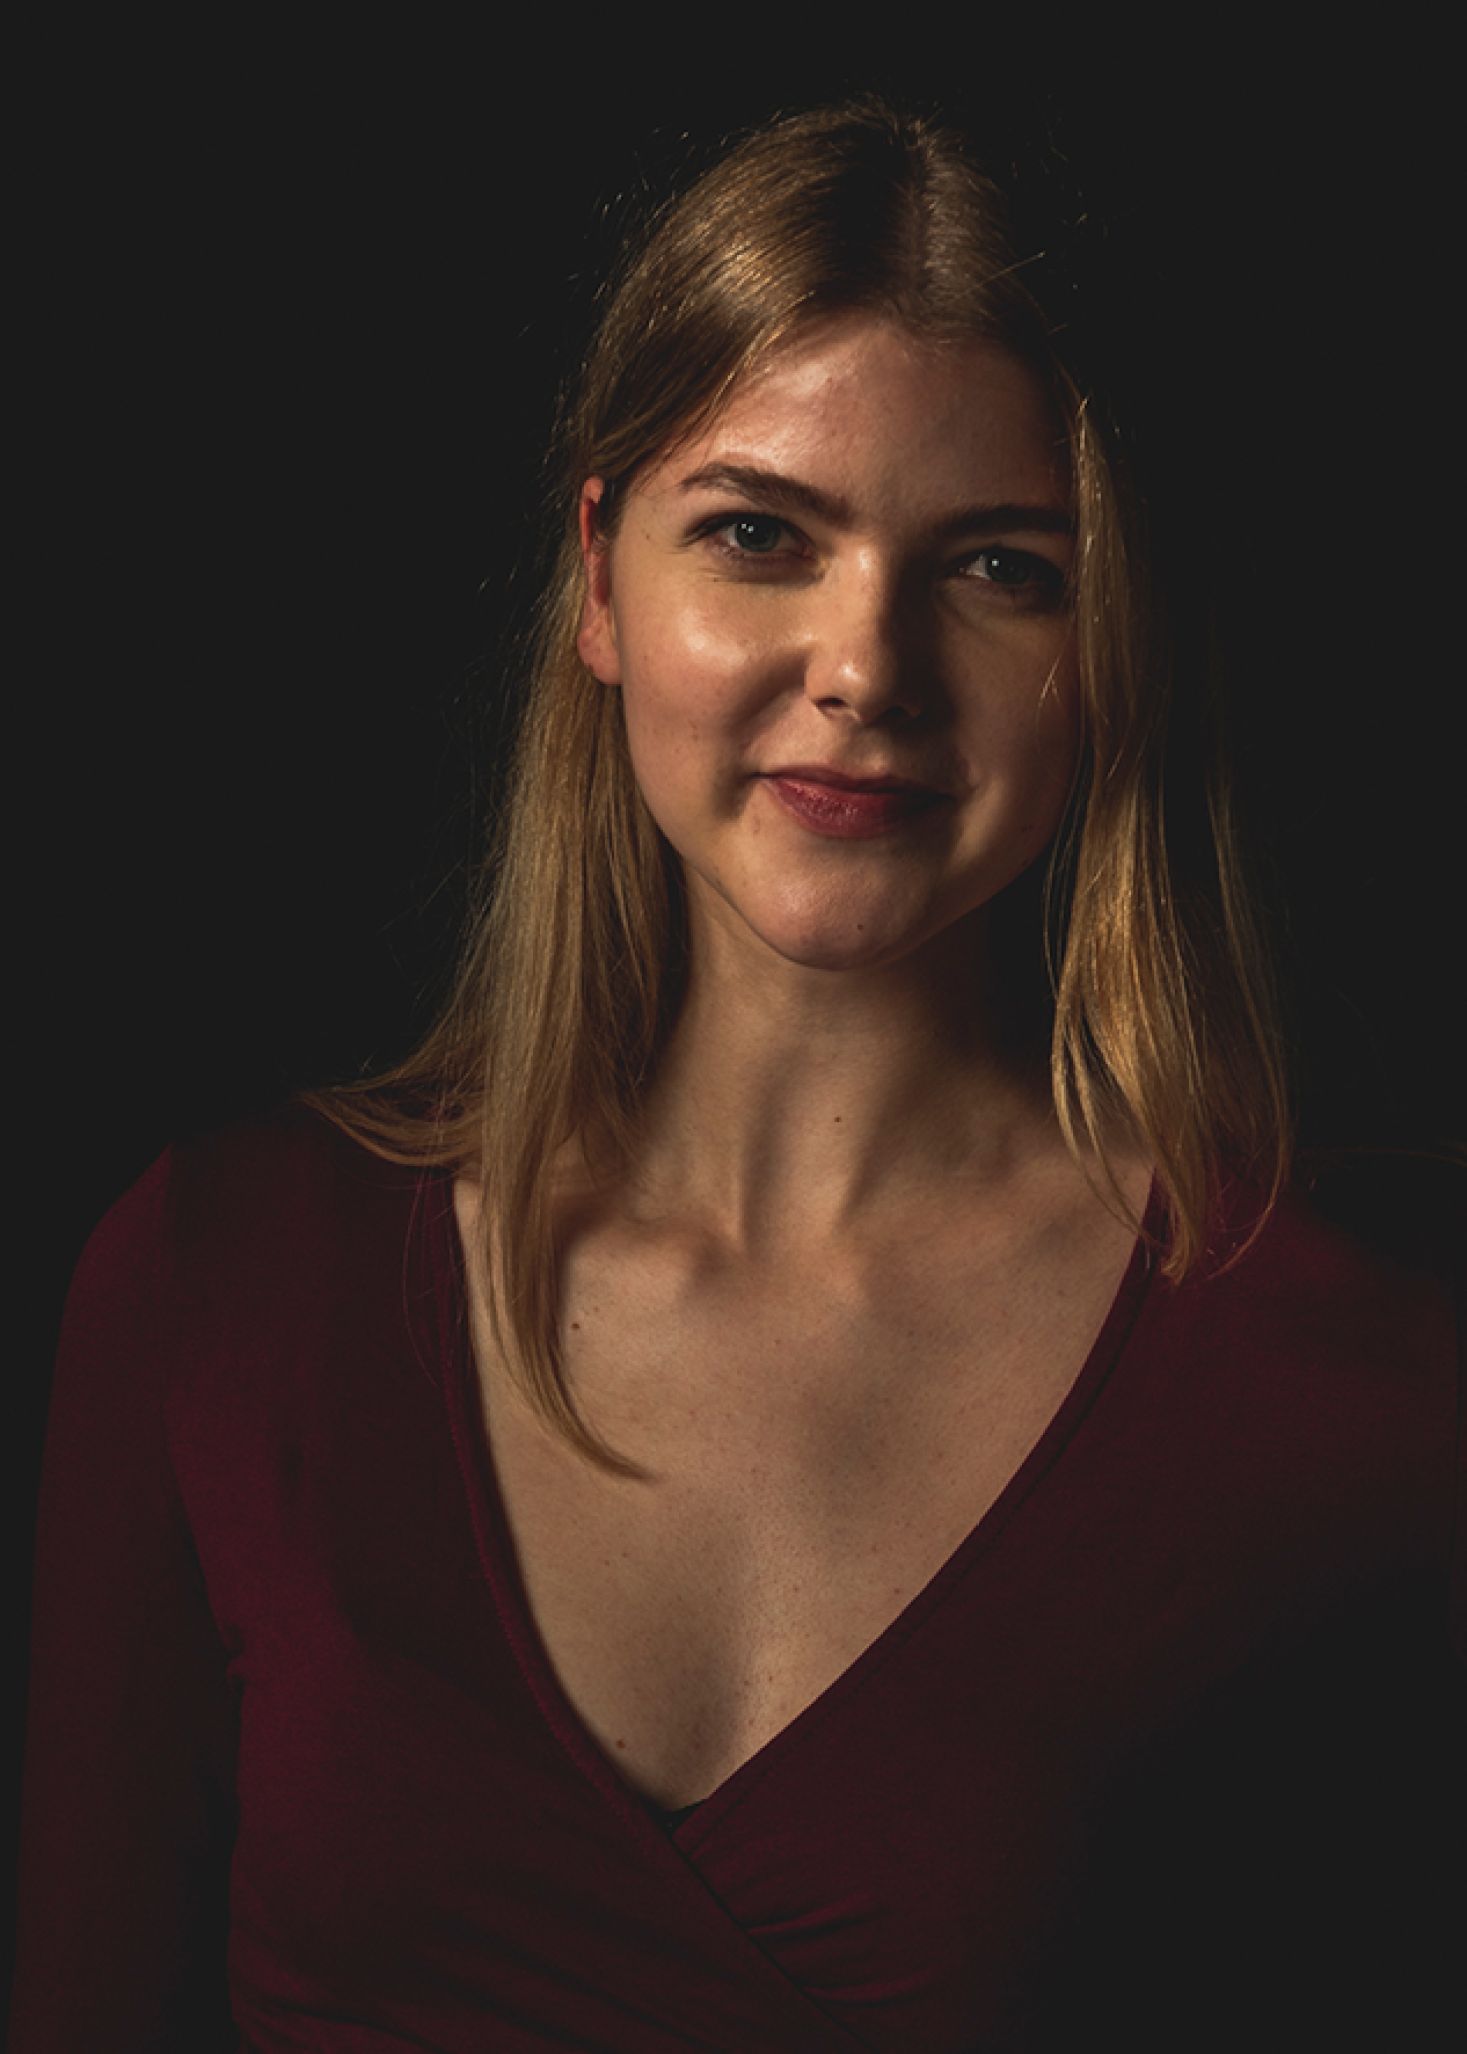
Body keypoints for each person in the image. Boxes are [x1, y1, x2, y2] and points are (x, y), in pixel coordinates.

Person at [12, 96, 1460, 2053]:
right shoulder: (219, 1283)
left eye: (999, 567)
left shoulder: (1361, 1388)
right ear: (601, 581)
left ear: (1111, 639)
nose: (866, 666)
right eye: (760, 536)